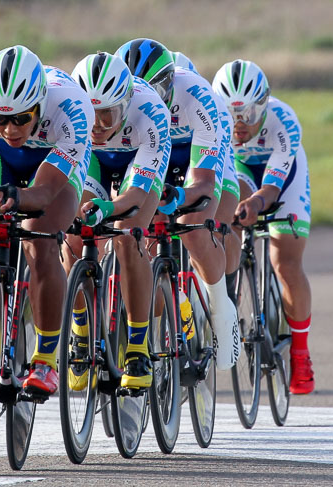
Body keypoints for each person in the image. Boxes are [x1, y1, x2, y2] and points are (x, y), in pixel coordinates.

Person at [0, 45, 93, 397]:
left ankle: (46, 358)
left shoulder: (73, 108)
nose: (9, 127)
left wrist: (17, 196)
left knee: (42, 244)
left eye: (20, 118)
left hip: (50, 163)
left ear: (40, 103)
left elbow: (45, 192)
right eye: (0, 119)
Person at [115, 38, 240, 370]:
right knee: (137, 235)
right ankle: (174, 300)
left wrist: (183, 197)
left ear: (170, 82)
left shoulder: (197, 97)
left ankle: (219, 305)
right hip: (153, 151)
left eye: (156, 89)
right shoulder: (126, 105)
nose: (149, 99)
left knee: (194, 228)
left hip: (198, 153)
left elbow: (204, 182)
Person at [68, 51, 170, 389]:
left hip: (136, 158)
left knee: (129, 235)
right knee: (71, 233)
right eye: (90, 114)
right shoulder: (69, 112)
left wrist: (108, 210)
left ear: (124, 106)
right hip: (93, 160)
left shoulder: (150, 113)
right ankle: (81, 327)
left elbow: (135, 198)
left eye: (107, 115)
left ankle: (138, 347)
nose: (97, 125)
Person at [213, 59, 314, 394]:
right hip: (242, 170)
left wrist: (255, 205)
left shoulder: (283, 119)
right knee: (229, 215)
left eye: (249, 115)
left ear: (264, 104)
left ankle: (300, 352)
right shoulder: (213, 124)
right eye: (232, 116)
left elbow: (271, 190)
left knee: (285, 262)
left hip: (283, 180)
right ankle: (228, 303)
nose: (240, 125)